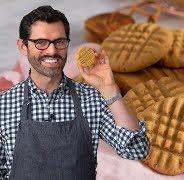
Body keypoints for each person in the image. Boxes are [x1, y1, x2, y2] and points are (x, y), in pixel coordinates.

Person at [0, 5, 149, 180]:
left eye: (60, 42)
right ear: (23, 46)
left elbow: (136, 149)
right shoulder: (4, 104)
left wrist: (110, 89)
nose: (52, 51)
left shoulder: (92, 99)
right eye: (41, 43)